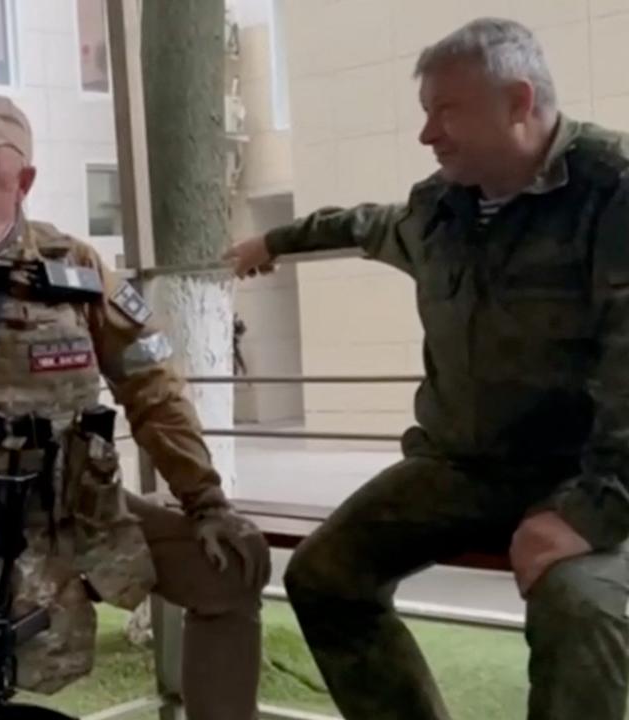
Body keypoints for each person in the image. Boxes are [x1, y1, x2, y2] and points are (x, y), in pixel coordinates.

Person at [227, 17, 629, 720]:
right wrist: (275, 240)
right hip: (463, 468)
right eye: (425, 113)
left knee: (579, 606)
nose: (427, 134)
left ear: (518, 101)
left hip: (594, 475)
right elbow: (362, 224)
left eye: (446, 111)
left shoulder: (612, 192)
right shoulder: (440, 208)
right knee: (325, 575)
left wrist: (590, 513)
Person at [0, 90, 271, 720]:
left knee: (231, 569)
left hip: (73, 516)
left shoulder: (74, 268)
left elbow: (153, 388)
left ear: (23, 182)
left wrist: (206, 500)